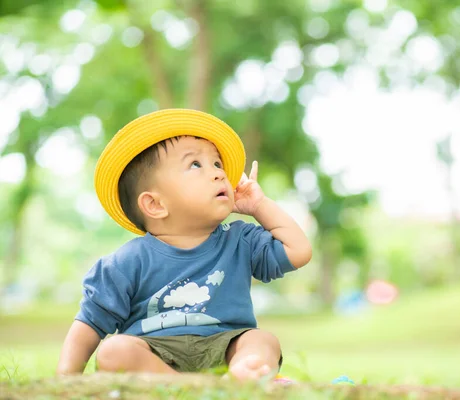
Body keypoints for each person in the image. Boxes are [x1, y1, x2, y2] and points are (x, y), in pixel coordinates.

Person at [56, 109, 312, 381]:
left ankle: (239, 375)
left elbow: (299, 251)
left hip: (225, 347)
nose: (218, 174)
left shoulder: (241, 241)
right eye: (195, 165)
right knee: (113, 351)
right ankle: (198, 387)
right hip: (154, 354)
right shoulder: (125, 263)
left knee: (262, 341)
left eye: (217, 164)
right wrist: (65, 379)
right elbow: (89, 324)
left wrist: (259, 206)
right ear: (155, 204)